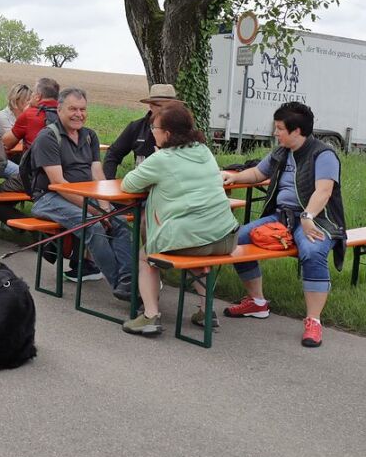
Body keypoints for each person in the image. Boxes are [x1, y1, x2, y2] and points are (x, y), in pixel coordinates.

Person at [220, 102, 346, 348]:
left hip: (318, 218)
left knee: (311, 252)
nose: (276, 133)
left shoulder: (324, 154)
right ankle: (257, 302)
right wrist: (233, 177)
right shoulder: (281, 151)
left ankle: (313, 321)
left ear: (296, 131)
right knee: (236, 239)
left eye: (279, 128)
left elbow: (324, 191)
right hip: (282, 218)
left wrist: (308, 217)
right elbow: (257, 173)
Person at [119, 102, 240, 336]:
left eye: (154, 127)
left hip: (193, 239)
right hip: (227, 236)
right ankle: (206, 311)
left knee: (146, 257)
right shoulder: (203, 150)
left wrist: (155, 161)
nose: (151, 131)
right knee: (198, 252)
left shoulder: (161, 158)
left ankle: (150, 316)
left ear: (167, 133)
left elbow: (128, 184)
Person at [27, 88, 134, 300]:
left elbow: (97, 172)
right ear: (59, 110)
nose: (79, 114)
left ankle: (128, 279)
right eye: (73, 109)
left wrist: (105, 203)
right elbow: (58, 183)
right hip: (49, 198)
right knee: (93, 224)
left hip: (86, 196)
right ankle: (123, 289)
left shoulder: (89, 136)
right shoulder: (48, 137)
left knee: (120, 223)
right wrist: (95, 209)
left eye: (83, 109)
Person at [103, 84, 181, 178]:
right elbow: (113, 154)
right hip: (142, 186)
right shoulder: (136, 127)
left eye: (171, 107)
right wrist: (108, 182)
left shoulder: (183, 129)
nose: (167, 111)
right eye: (162, 106)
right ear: (151, 106)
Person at [2, 77, 60, 150]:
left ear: (37, 97)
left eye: (33, 92)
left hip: (37, 160)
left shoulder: (29, 115)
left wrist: (25, 112)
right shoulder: (65, 115)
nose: (31, 95)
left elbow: (6, 143)